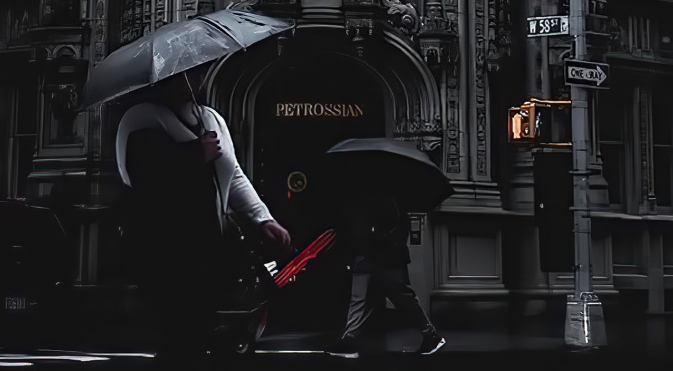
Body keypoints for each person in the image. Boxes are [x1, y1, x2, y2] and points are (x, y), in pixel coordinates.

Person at [116, 71, 290, 364]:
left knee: (200, 327)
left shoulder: (211, 118)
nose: (195, 80)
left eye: (196, 74)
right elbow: (146, 175)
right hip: (163, 245)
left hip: (209, 243)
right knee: (178, 329)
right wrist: (195, 153)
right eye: (184, 76)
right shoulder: (141, 118)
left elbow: (233, 175)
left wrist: (263, 219)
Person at [331, 189, 444, 358]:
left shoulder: (388, 200)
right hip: (368, 256)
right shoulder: (374, 200)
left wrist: (375, 241)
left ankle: (430, 334)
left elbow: (395, 230)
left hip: (386, 258)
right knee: (361, 299)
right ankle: (350, 338)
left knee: (401, 298)